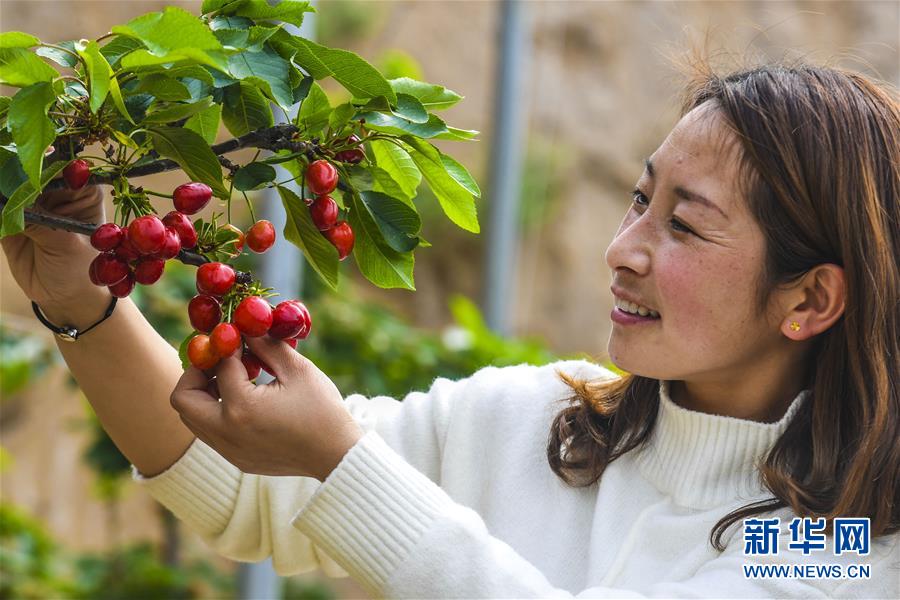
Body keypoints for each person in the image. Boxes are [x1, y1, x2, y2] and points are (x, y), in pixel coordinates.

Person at [2, 59, 898, 599]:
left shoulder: (853, 543)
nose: (624, 250)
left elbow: (332, 474)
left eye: (686, 224)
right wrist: (84, 303)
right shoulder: (539, 423)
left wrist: (343, 465)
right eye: (639, 198)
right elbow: (246, 489)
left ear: (810, 300)